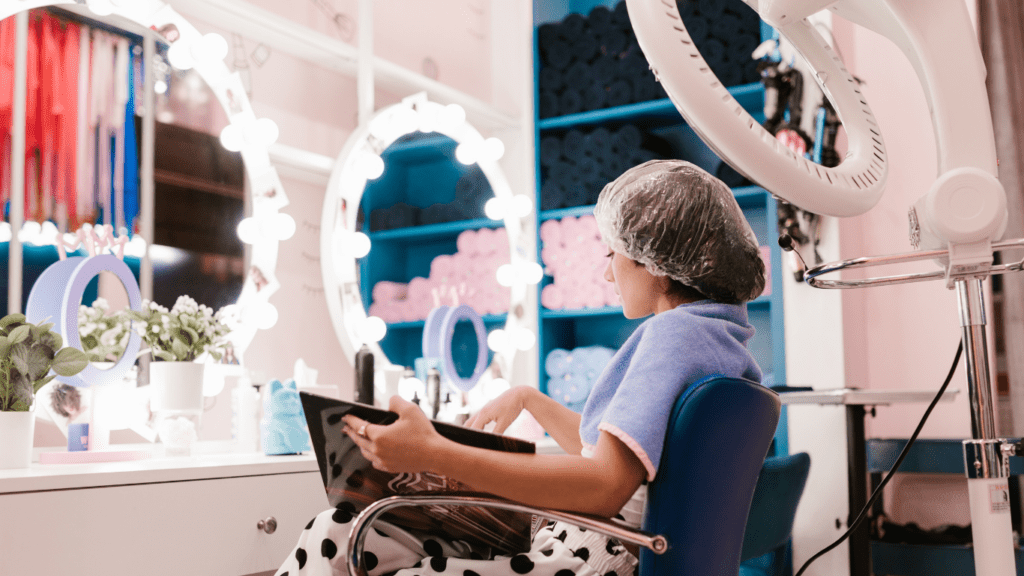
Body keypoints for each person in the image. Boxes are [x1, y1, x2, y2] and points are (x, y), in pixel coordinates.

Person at [275, 159, 767, 576]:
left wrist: (434, 452)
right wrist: (531, 398)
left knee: (340, 528)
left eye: (612, 253)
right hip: (605, 548)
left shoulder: (671, 336)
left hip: (585, 556)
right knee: (350, 531)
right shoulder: (718, 336)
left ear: (655, 262)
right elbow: (629, 464)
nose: (605, 270)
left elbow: (604, 487)